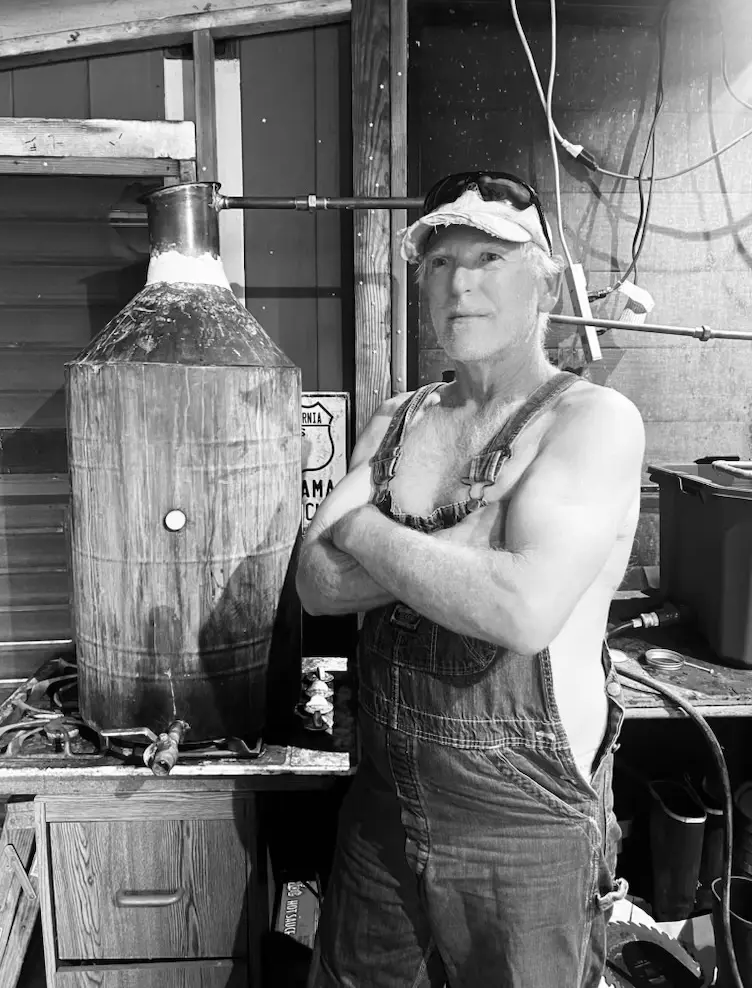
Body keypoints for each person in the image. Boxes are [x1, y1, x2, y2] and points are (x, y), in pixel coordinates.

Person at [295, 171, 644, 988]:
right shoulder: (397, 418)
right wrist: (464, 541)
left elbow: (520, 608)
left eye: (490, 255)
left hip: (523, 824)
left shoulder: (589, 422)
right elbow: (314, 577)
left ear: (545, 278)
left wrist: (364, 527)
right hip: (383, 803)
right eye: (442, 260)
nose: (461, 281)